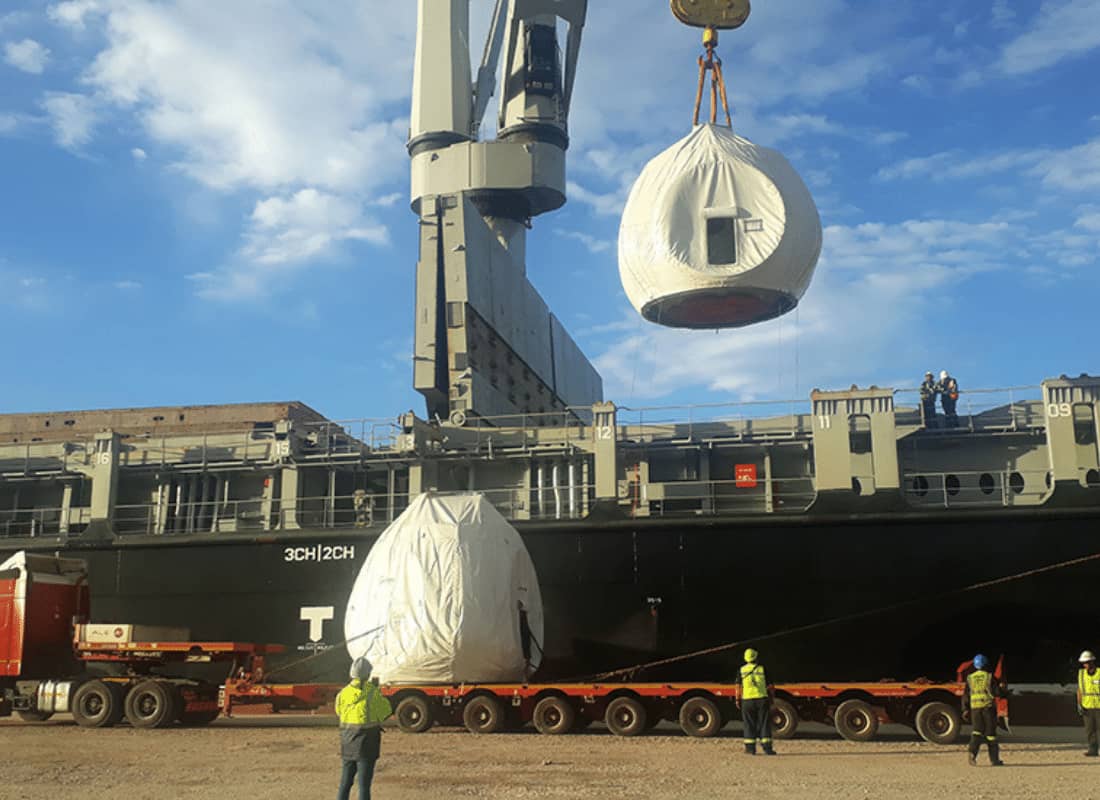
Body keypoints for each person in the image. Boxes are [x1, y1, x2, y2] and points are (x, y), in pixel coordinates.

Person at [336, 657, 393, 800]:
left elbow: (339, 711)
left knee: (345, 782)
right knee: (364, 785)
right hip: (367, 743)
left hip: (348, 742)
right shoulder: (373, 693)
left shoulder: (343, 693)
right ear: (368, 674)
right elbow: (385, 712)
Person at [962, 654, 1004, 766]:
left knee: (977, 732)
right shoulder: (989, 677)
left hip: (975, 709)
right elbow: (996, 693)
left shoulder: (970, 678)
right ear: (986, 664)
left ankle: (972, 754)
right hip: (988, 709)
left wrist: (965, 709)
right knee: (991, 735)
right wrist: (1003, 690)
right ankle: (994, 760)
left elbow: (966, 695)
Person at [739, 648, 775, 755]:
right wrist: (772, 698)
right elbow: (771, 686)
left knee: (749, 724)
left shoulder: (742, 670)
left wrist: (737, 699)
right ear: (756, 657)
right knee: (764, 723)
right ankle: (767, 748)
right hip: (761, 699)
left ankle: (750, 749)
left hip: (747, 700)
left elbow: (738, 686)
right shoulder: (762, 669)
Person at [1077, 650, 1100, 757]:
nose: (1085, 664)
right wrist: (1079, 703)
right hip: (1087, 706)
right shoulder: (1081, 674)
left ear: (1092, 661)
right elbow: (1080, 690)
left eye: (1087, 662)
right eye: (1084, 663)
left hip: (1099, 706)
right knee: (1090, 730)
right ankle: (1093, 750)